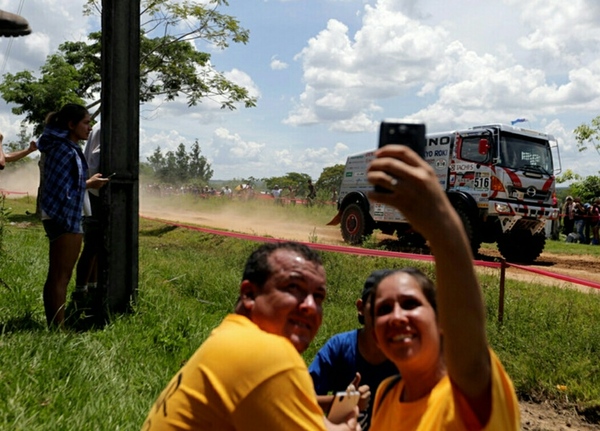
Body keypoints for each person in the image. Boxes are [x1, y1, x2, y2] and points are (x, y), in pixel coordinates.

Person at [366, 144, 520, 430]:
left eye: (411, 303)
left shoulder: (467, 392)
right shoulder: (385, 395)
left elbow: (469, 346)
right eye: (384, 309)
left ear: (441, 319)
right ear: (372, 331)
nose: (397, 317)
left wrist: (441, 224)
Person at [142, 241, 361, 431]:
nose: (311, 307)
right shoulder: (269, 353)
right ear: (249, 294)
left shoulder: (230, 337)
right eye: (293, 288)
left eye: (319, 297)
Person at [37, 104, 109, 328]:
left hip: (66, 214)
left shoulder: (64, 146)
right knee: (60, 275)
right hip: (63, 216)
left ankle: (58, 323)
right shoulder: (63, 150)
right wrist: (90, 184)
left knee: (61, 275)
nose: (89, 128)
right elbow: (63, 189)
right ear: (71, 124)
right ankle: (57, 328)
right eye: (86, 123)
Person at [309, 270, 398, 431]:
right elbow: (301, 401)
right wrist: (345, 402)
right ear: (361, 307)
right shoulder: (340, 347)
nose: (387, 316)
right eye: (380, 305)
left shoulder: (407, 356)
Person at [73, 126, 104, 305]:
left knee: (94, 245)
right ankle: (82, 290)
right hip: (95, 191)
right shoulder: (106, 127)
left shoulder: (99, 127)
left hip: (91, 191)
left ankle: (90, 287)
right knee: (93, 244)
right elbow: (95, 160)